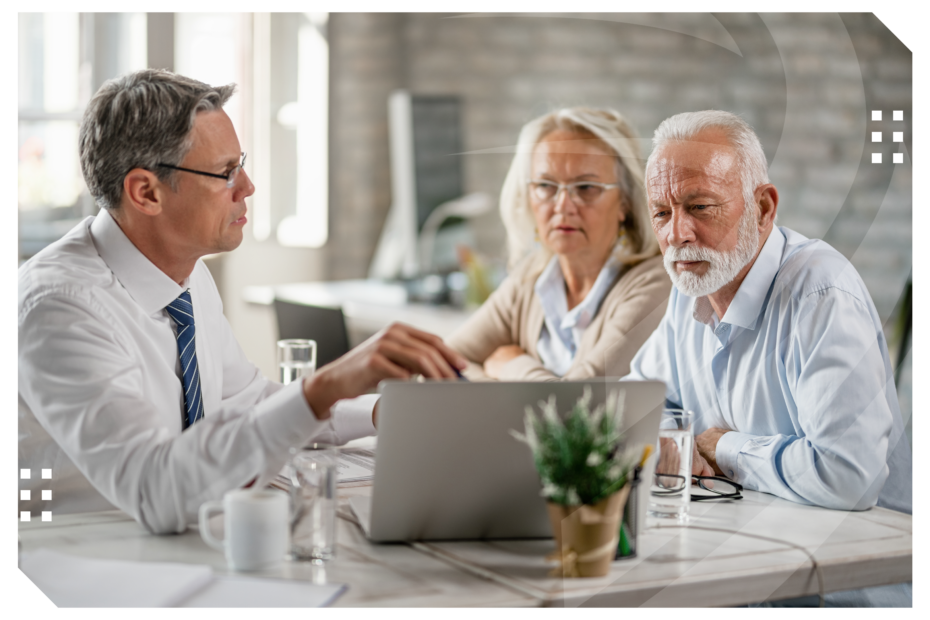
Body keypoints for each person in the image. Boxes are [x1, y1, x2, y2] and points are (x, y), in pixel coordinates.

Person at [16, 70, 467, 534]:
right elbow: (155, 490)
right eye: (226, 172)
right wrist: (325, 385)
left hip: (172, 546)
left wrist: (378, 412)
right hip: (78, 553)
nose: (247, 186)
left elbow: (250, 403)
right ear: (145, 192)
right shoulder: (61, 307)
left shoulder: (186, 276)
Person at [625, 110, 912, 608]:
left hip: (842, 593)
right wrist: (671, 438)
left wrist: (723, 448)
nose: (678, 234)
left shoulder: (820, 293)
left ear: (763, 207)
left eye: (700, 206)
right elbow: (635, 405)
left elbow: (847, 476)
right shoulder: (690, 286)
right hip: (739, 570)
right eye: (662, 213)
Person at [447, 108, 672, 381]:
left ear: (624, 201)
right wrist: (502, 391)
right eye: (545, 185)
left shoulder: (657, 285)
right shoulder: (530, 280)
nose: (563, 206)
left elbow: (579, 410)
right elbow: (440, 366)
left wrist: (512, 366)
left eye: (586, 187)